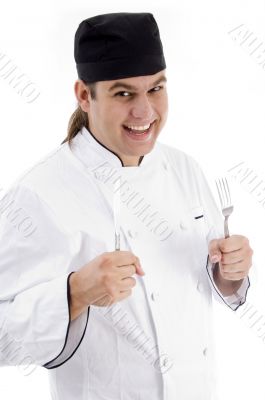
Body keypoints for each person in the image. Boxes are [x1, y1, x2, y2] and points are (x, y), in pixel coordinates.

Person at [0, 12, 252, 400]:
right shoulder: (39, 193)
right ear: (85, 95)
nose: (145, 111)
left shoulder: (185, 169)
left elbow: (207, 287)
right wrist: (73, 294)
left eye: (156, 89)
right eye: (124, 94)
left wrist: (229, 275)